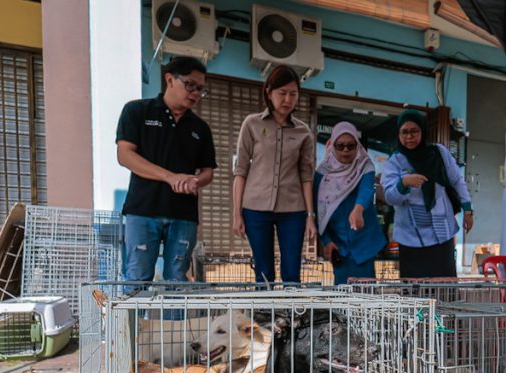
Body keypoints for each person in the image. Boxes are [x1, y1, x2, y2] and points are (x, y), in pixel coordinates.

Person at [115, 56, 216, 283]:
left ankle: (173, 321)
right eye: (190, 85)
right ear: (169, 79)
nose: (195, 94)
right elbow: (125, 155)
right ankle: (132, 320)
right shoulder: (137, 111)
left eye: (200, 89)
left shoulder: (200, 128)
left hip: (184, 216)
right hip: (142, 211)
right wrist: (170, 177)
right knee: (136, 278)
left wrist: (196, 181)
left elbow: (208, 171)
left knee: (177, 280)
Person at [232, 65, 316, 284]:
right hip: (255, 209)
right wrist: (236, 213)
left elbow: (306, 176)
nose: (287, 99)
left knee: (291, 271)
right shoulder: (251, 124)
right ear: (269, 92)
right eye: (282, 93)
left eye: (293, 94)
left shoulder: (303, 132)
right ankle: (264, 316)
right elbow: (240, 170)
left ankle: (291, 317)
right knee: (263, 270)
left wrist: (310, 216)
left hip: (294, 211)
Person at [381, 109, 473, 279]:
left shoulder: (438, 152)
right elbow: (390, 197)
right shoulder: (395, 161)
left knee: (444, 287)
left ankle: (445, 308)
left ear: (423, 131)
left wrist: (467, 209)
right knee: (415, 291)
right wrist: (404, 184)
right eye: (404, 132)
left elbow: (456, 180)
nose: (409, 136)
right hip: (410, 238)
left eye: (414, 131)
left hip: (441, 234)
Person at [314, 122, 387, 285]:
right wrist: (326, 241)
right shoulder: (322, 174)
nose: (345, 150)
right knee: (342, 298)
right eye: (340, 146)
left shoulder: (365, 166)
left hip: (364, 242)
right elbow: (317, 211)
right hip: (339, 246)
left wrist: (358, 209)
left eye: (350, 145)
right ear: (332, 146)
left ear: (357, 145)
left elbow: (367, 189)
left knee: (366, 297)